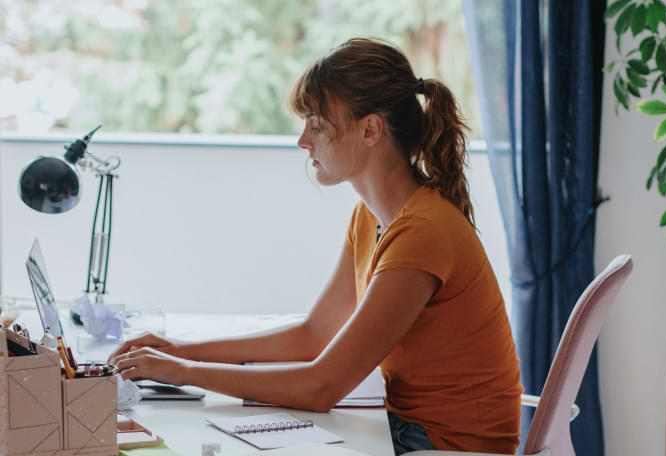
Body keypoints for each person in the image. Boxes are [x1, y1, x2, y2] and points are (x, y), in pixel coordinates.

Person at [109, 37, 522, 454]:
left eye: (317, 125)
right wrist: (179, 350)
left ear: (371, 129)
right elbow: (314, 334)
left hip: (447, 446)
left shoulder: (424, 231)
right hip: (405, 428)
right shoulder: (371, 218)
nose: (303, 141)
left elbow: (320, 386)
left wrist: (184, 371)